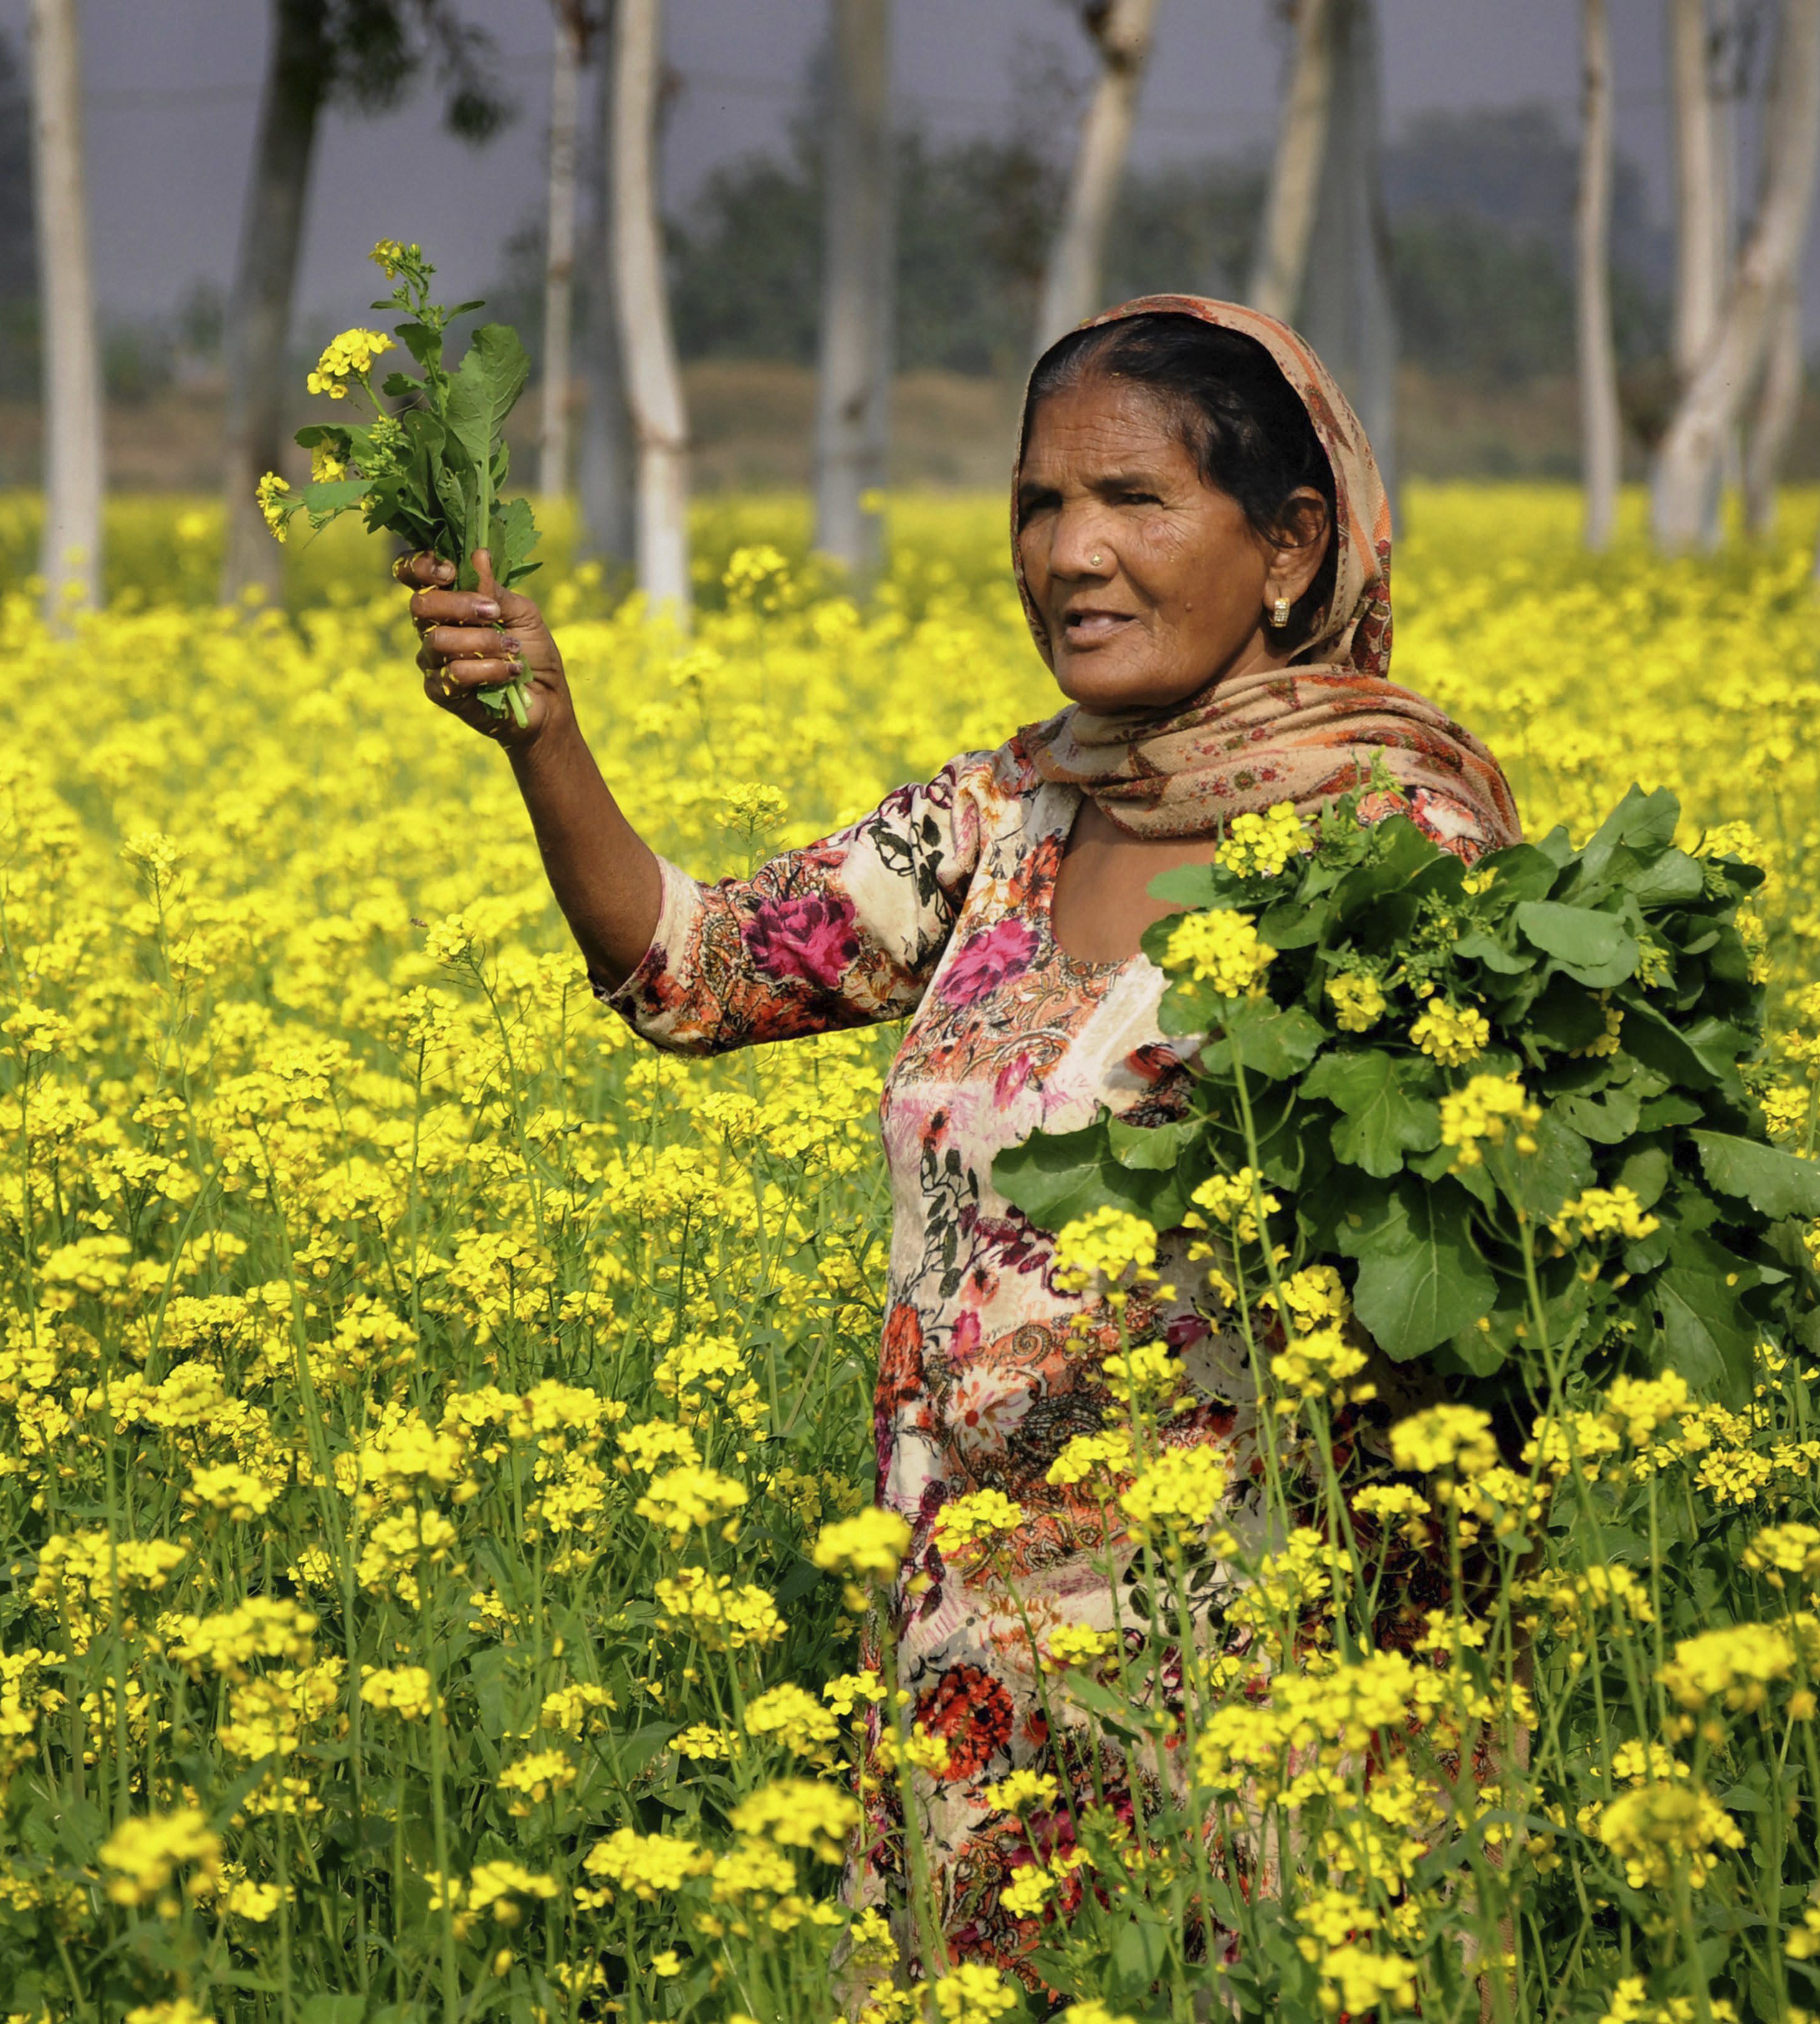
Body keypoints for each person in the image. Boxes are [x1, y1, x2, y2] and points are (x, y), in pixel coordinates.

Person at [399, 298, 1520, 1976]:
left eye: (1134, 501)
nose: (1071, 553)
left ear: (1291, 547)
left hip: (1256, 1696)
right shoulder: (1009, 816)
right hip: (972, 1692)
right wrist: (543, 730)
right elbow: (696, 968)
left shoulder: (1396, 853)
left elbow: (1489, 1290)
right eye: (1037, 504)